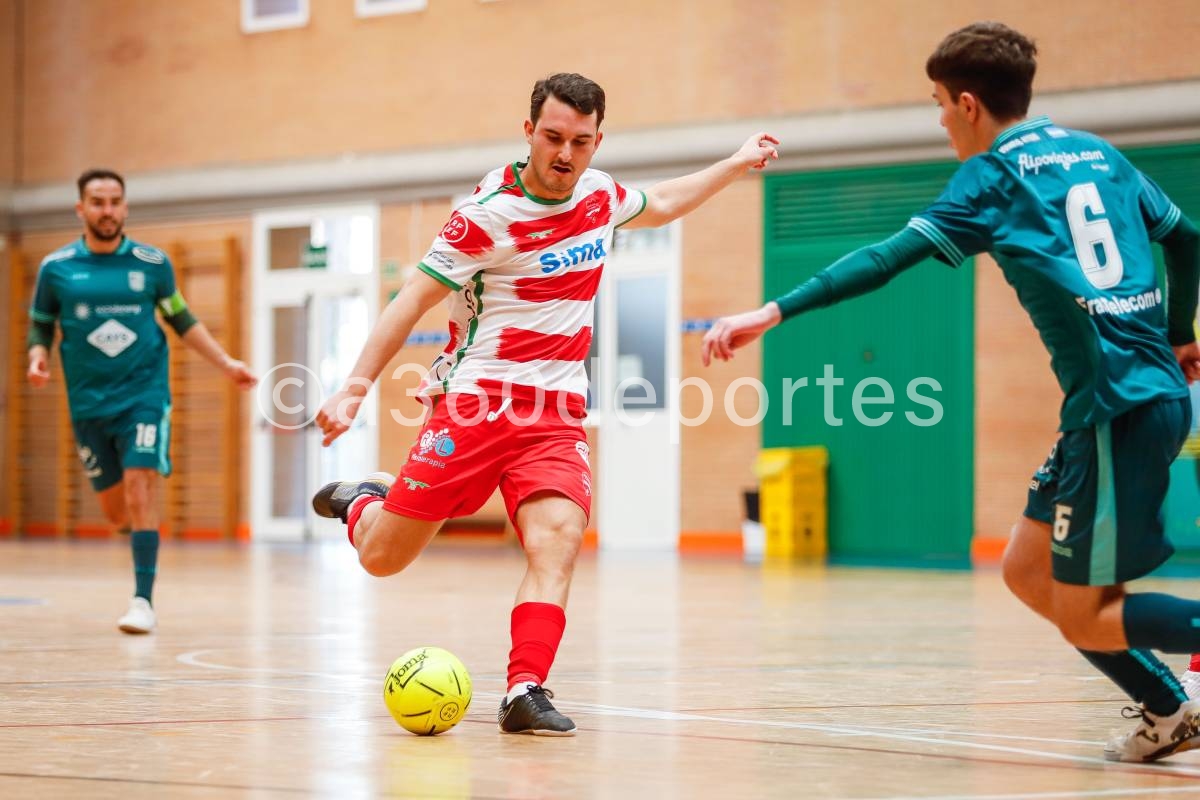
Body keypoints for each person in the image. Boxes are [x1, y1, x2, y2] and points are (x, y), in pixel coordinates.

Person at [701, 22, 1200, 763]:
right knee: (1027, 572)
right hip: (1120, 401)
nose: (939, 121)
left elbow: (884, 259)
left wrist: (771, 312)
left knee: (1089, 617)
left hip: (1117, 407)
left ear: (968, 104)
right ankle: (1169, 714)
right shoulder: (1099, 152)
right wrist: (1178, 329)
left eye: (938, 104)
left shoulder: (992, 177)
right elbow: (1186, 239)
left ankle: (1172, 695)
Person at [311, 73, 778, 736]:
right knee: (383, 559)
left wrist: (734, 163)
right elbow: (408, 299)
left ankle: (523, 689)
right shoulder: (485, 215)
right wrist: (355, 385)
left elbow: (665, 201)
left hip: (555, 412)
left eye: (580, 142)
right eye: (553, 137)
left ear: (597, 140)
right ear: (529, 131)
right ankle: (364, 500)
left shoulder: (600, 193)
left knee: (556, 539)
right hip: (475, 404)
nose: (565, 153)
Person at [27, 168, 258, 634]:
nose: (107, 210)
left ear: (125, 207)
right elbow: (40, 324)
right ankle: (138, 550)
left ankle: (142, 601)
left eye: (115, 201)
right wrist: (37, 357)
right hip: (89, 405)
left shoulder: (152, 264)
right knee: (117, 512)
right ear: (81, 209)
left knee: (140, 485)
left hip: (143, 395)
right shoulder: (57, 269)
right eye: (97, 201)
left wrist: (226, 362)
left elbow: (182, 319)